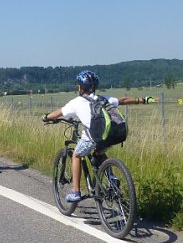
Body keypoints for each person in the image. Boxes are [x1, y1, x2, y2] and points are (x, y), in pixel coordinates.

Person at [42, 70, 143, 203]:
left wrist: (46, 117)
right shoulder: (103, 98)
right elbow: (123, 100)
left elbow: (60, 112)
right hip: (111, 135)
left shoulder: (76, 102)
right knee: (99, 152)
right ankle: (111, 178)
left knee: (77, 155)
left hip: (93, 137)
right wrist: (143, 100)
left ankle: (75, 192)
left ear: (81, 87)